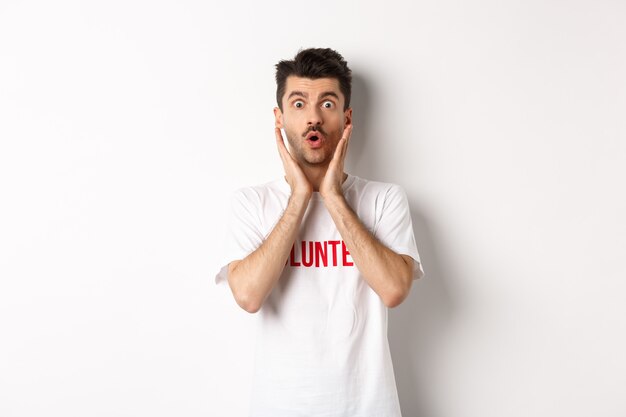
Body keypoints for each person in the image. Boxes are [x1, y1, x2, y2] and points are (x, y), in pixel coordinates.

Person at [215, 48, 425, 417]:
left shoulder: (383, 199)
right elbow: (248, 296)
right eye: (298, 104)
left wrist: (332, 196)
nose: (313, 117)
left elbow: (394, 290)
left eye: (327, 104)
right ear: (279, 117)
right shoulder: (252, 202)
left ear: (347, 118)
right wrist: (299, 196)